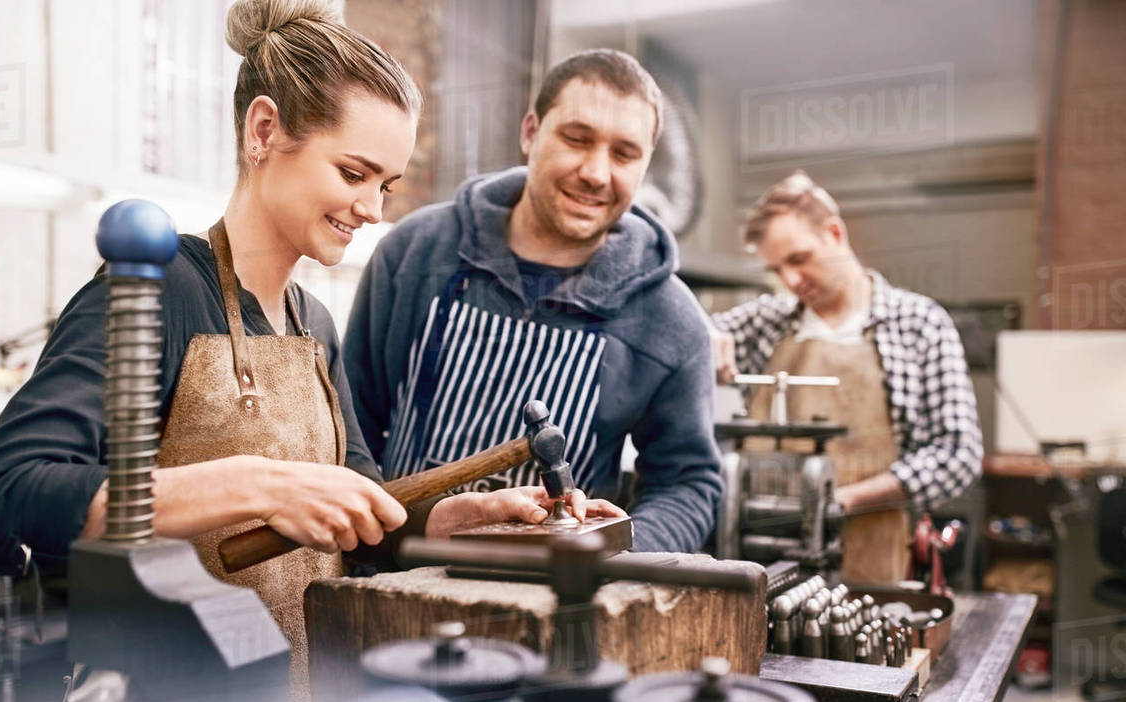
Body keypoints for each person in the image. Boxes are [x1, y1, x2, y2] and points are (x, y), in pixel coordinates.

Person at [0, 0, 620, 702]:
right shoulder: (161, 291)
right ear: (264, 130)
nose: (373, 210)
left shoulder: (315, 327)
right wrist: (256, 484)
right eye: (354, 173)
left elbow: (365, 521)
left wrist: (462, 518)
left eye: (385, 186)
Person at [343, 49, 721, 554]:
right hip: (388, 583)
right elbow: (348, 435)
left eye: (624, 154)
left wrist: (616, 554)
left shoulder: (670, 320)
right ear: (530, 132)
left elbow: (687, 484)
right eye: (576, 139)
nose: (596, 171)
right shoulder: (416, 253)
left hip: (556, 611)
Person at [710, 170, 982, 581]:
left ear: (834, 234)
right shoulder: (765, 321)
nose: (791, 281)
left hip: (874, 557)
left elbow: (958, 453)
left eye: (799, 259)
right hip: (764, 554)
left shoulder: (918, 323)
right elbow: (679, 332)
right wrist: (703, 333)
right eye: (777, 269)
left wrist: (839, 501)